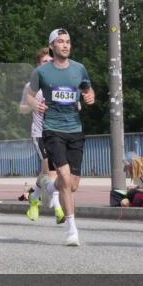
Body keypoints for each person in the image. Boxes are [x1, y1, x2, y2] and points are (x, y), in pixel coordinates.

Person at [27, 28, 96, 247]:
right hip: (52, 129)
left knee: (72, 185)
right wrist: (34, 103)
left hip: (75, 129)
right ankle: (71, 229)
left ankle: (47, 188)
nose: (65, 45)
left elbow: (87, 88)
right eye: (60, 41)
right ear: (52, 46)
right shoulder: (42, 72)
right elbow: (29, 94)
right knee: (65, 179)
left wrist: (90, 95)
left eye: (68, 41)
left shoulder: (79, 68)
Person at [20, 48, 64, 223]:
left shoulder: (58, 83)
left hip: (58, 133)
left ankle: (34, 197)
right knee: (52, 174)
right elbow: (21, 108)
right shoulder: (31, 86)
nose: (48, 64)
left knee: (49, 173)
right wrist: (34, 105)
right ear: (38, 65)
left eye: (50, 61)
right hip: (40, 134)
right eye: (44, 62)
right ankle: (59, 209)